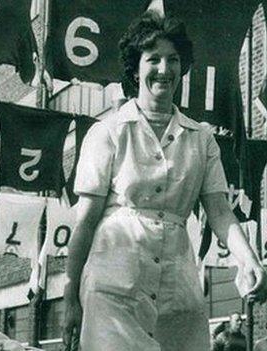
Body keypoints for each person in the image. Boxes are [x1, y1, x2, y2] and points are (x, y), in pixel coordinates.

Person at [62, 11, 267, 351]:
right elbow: (84, 222)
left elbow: (219, 210)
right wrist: (71, 298)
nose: (164, 69)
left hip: (178, 291)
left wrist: (248, 259)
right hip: (113, 289)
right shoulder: (108, 132)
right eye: (153, 59)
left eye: (173, 60)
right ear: (135, 67)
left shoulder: (201, 138)